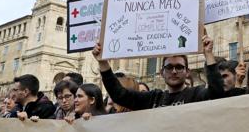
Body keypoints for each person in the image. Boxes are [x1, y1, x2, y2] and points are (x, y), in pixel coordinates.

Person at [92, 33, 225, 109]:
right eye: (169, 67)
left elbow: (217, 93)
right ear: (162, 72)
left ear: (187, 72)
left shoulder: (196, 94)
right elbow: (118, 95)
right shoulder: (153, 98)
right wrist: (103, 62)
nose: (174, 71)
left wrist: (208, 54)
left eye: (179, 67)